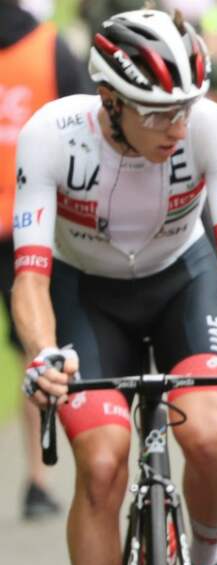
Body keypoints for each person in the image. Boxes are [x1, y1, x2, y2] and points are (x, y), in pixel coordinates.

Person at [13, 9, 217, 565]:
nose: (175, 126)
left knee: (211, 438)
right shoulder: (51, 135)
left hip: (182, 284)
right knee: (104, 463)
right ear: (109, 100)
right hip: (88, 297)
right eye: (158, 112)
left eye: (185, 107)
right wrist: (44, 353)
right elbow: (29, 276)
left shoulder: (211, 127)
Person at [0, 0, 91, 520]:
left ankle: (40, 474)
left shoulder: (49, 44)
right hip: (37, 225)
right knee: (42, 346)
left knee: (33, 351)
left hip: (29, 226)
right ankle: (40, 476)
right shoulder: (49, 47)